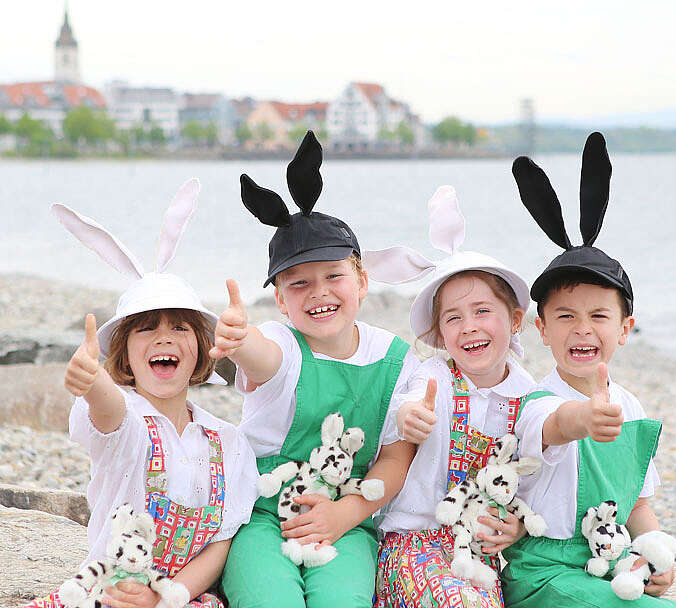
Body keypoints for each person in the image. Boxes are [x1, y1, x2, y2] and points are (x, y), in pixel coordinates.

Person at [24, 180, 257, 608]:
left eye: (180, 328)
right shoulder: (129, 421)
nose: (163, 339)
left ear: (202, 350)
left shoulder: (228, 440)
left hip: (179, 599)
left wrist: (168, 596)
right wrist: (92, 381)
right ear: (126, 356)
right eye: (146, 328)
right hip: (106, 594)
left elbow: (220, 542)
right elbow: (108, 411)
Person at [212, 132, 420, 608]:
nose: (319, 292)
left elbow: (394, 459)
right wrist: (240, 342)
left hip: (346, 512)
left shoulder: (394, 357)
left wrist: (344, 516)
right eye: (299, 283)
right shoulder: (283, 343)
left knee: (343, 599)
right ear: (281, 300)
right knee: (268, 597)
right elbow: (264, 357)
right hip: (263, 514)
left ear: (362, 280)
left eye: (334, 276)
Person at [501, 132, 675, 606]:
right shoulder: (535, 402)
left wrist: (656, 557)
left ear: (625, 328)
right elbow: (558, 425)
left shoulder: (632, 405)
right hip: (544, 569)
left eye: (599, 316)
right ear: (541, 327)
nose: (582, 330)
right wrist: (586, 419)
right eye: (565, 316)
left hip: (612, 561)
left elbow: (637, 503)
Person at [365, 185, 534, 608]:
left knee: (483, 599)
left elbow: (533, 478)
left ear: (514, 320)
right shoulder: (436, 376)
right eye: (453, 318)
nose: (469, 326)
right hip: (412, 543)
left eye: (482, 311)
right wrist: (409, 417)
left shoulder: (529, 397)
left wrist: (516, 527)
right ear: (441, 334)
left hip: (480, 548)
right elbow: (414, 399)